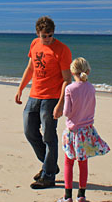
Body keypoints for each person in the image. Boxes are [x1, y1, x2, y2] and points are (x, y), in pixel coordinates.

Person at [14, 16, 72, 189]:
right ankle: (50, 165)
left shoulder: (62, 49)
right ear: (37, 33)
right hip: (34, 96)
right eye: (44, 35)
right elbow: (30, 68)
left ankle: (48, 175)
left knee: (49, 135)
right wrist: (20, 88)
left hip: (51, 98)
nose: (47, 38)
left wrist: (61, 103)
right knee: (29, 131)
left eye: (50, 35)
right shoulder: (34, 44)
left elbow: (67, 79)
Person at [57, 57, 110, 202]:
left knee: (69, 162)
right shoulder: (91, 88)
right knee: (83, 162)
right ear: (87, 71)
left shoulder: (70, 89)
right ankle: (81, 196)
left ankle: (68, 197)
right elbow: (92, 108)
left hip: (73, 131)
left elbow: (67, 112)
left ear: (72, 71)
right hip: (87, 131)